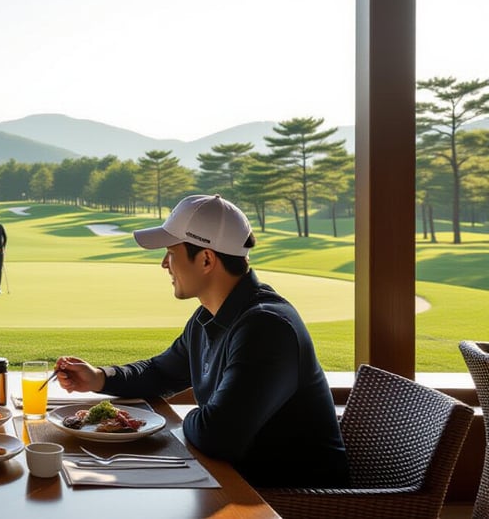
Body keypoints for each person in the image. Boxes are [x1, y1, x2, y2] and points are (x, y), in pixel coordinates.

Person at [54, 194, 348, 489]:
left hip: (287, 499)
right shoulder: (209, 316)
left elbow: (217, 437)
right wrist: (98, 378)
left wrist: (178, 420)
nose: (164, 264)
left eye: (171, 252)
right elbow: (162, 372)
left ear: (206, 259)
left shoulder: (267, 327)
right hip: (232, 479)